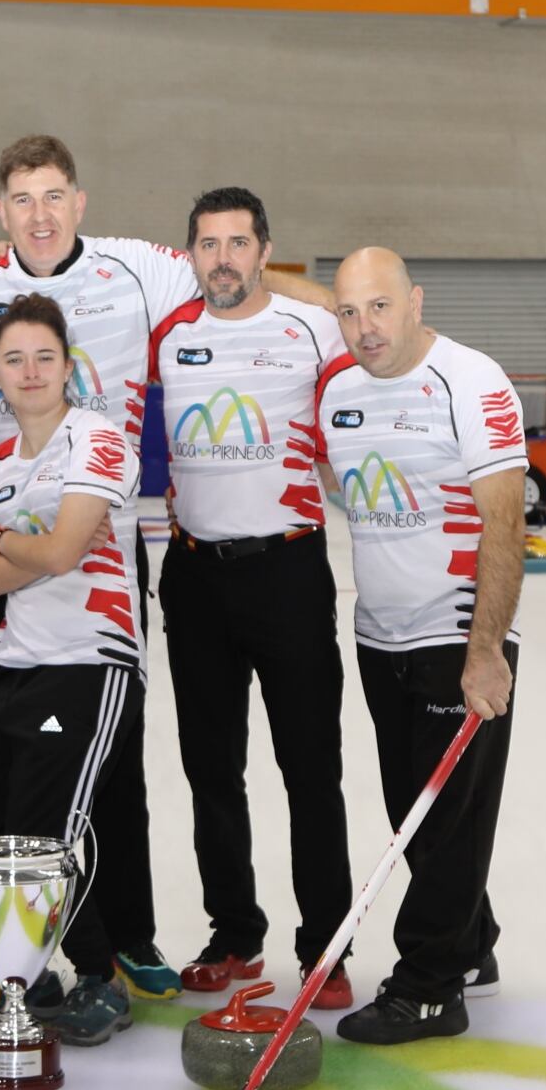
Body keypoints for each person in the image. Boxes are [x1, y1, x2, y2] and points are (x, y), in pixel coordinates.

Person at [0, 136, 338, 996]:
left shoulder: (137, 269)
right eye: (24, 199)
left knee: (112, 753)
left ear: (80, 201)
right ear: (2, 211)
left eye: (54, 195)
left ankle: (126, 934)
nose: (41, 214)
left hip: (100, 547)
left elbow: (233, 274)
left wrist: (352, 306)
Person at [145, 188, 359, 1008]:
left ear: (266, 251)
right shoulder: (169, 334)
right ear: (191, 256)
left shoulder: (314, 327)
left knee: (311, 767)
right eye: (209, 244)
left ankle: (327, 946)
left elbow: (368, 334)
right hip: (196, 574)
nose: (224, 259)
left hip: (288, 571)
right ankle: (235, 933)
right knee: (210, 768)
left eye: (239, 243)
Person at [0, 295, 144, 1048]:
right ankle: (20, 966)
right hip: (10, 664)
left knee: (43, 839)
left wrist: (11, 543)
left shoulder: (96, 438)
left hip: (87, 663)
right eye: (14, 359)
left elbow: (63, 551)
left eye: (45, 356)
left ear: (69, 367)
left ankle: (101, 976)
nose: (31, 370)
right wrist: (29, 547)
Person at [311, 248, 526, 1043]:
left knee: (449, 813)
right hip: (380, 635)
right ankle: (471, 939)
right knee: (417, 810)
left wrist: (486, 650)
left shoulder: (470, 380)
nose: (365, 326)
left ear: (415, 302)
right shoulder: (339, 391)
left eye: (379, 306)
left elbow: (506, 521)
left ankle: (431, 986)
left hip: (455, 631)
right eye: (348, 311)